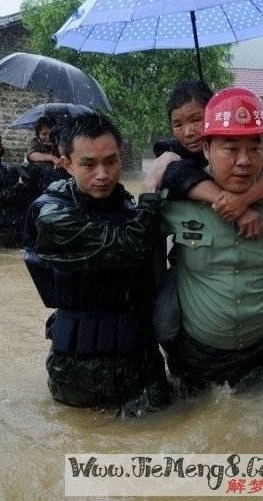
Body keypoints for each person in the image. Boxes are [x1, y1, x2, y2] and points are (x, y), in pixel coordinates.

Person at [157, 87, 263, 390]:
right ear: (206, 149)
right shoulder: (177, 197)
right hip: (198, 352)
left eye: (254, 148)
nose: (244, 161)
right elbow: (150, 244)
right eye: (230, 149)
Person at [23, 113, 170, 414]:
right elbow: (127, 246)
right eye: (88, 164)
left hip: (141, 366)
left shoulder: (126, 207)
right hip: (80, 373)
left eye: (111, 161)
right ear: (65, 164)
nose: (102, 174)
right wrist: (152, 187)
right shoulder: (52, 214)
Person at [146, 81, 263, 239]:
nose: (188, 132)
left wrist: (243, 200)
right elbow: (178, 175)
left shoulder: (246, 145)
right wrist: (233, 206)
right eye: (178, 125)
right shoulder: (172, 155)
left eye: (196, 120)